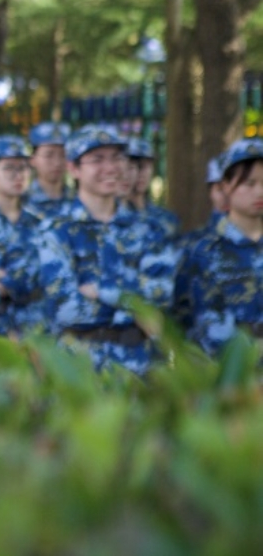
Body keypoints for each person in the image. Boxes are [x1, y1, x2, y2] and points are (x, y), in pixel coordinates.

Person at [36, 125, 179, 373]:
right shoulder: (56, 230)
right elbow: (66, 310)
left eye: (117, 158)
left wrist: (102, 292)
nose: (111, 168)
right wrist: (136, 310)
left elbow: (160, 296)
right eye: (97, 159)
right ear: (74, 169)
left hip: (141, 366)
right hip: (79, 367)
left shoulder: (148, 229)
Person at [176, 139, 263, 354]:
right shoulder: (201, 251)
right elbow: (180, 316)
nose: (260, 192)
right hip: (223, 375)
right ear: (225, 186)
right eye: (249, 184)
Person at [0, 136, 48, 333]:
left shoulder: (42, 223)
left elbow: (50, 274)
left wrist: (6, 282)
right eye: (9, 168)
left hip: (37, 330)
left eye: (23, 168)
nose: (18, 175)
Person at [125, 137, 179, 238]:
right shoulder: (114, 217)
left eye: (146, 166)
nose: (141, 173)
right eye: (134, 166)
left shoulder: (166, 218)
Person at [26, 122, 73, 218]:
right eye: (49, 155)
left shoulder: (78, 200)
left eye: (63, 155)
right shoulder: (22, 202)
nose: (57, 162)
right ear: (33, 160)